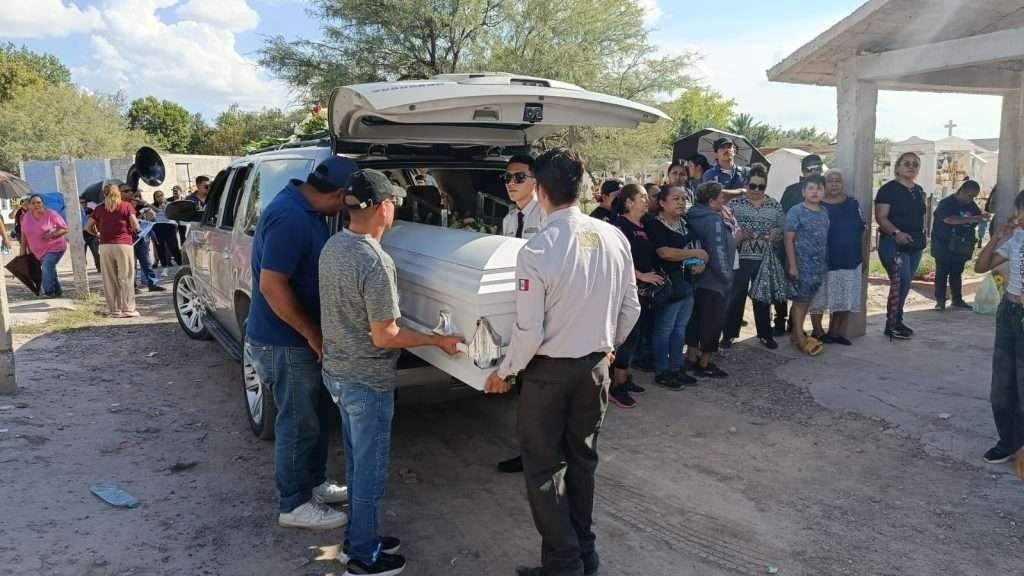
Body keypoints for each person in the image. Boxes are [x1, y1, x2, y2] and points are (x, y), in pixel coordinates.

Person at [482, 148, 641, 576]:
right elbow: (631, 307)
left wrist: (504, 371)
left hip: (549, 374)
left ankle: (565, 564)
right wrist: (608, 346)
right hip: (595, 368)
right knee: (582, 462)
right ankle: (582, 555)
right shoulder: (613, 237)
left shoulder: (538, 249)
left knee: (543, 468)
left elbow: (529, 330)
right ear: (582, 186)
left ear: (540, 189)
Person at [320, 169, 462, 576]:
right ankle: (363, 557)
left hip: (338, 373)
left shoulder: (333, 246)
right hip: (367, 381)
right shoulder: (375, 260)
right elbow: (386, 336)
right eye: (394, 202)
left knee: (357, 464)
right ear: (384, 207)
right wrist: (438, 340)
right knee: (369, 471)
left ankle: (357, 539)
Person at [246, 157, 354, 531]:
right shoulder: (290, 218)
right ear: (340, 194)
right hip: (284, 341)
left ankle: (313, 483)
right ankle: (294, 503)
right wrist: (312, 334)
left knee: (315, 416)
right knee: (297, 422)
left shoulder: (308, 210)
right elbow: (272, 286)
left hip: (299, 339)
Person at [975, 192, 1024, 466]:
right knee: (1003, 385)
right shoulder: (1016, 239)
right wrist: (998, 237)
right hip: (1009, 313)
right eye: (1021, 210)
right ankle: (1008, 441)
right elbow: (981, 266)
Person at [647, 185, 707, 388]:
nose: (681, 202)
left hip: (686, 284)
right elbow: (664, 253)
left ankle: (676, 367)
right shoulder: (654, 224)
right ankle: (662, 371)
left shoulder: (685, 223)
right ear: (662, 203)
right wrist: (696, 254)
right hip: (668, 286)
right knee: (664, 329)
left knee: (679, 329)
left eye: (683, 198)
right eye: (675, 198)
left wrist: (700, 262)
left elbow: (697, 249)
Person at [723, 164, 786, 349]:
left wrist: (775, 234)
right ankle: (729, 334)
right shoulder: (735, 204)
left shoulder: (774, 205)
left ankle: (765, 334)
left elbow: (783, 228)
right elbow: (725, 226)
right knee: (736, 297)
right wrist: (739, 234)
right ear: (746, 184)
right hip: (740, 258)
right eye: (753, 186)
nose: (757, 190)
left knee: (762, 298)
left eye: (761, 187)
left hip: (765, 259)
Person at [611, 184, 658, 408]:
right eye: (642, 197)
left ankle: (623, 376)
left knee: (635, 335)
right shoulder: (620, 226)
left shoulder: (644, 225)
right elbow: (618, 259)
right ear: (629, 202)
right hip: (627, 290)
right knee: (627, 337)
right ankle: (616, 385)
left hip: (642, 291)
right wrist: (640, 275)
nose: (647, 200)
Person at [685, 182, 736, 378]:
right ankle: (705, 363)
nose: (724, 200)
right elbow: (717, 251)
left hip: (696, 279)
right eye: (721, 197)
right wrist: (726, 276)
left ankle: (691, 358)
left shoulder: (692, 214)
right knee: (713, 323)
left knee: (695, 320)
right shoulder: (713, 219)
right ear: (712, 200)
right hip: (714, 280)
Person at [809, 169, 866, 345]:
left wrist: (863, 255)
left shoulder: (853, 204)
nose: (834, 184)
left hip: (850, 258)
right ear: (824, 184)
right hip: (824, 260)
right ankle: (818, 331)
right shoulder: (817, 205)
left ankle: (835, 332)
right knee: (819, 298)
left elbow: (862, 230)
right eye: (830, 180)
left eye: (838, 181)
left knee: (845, 296)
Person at [875, 152, 927, 340]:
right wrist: (897, 233)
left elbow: (922, 216)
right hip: (893, 243)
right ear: (897, 167)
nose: (911, 167)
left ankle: (897, 321)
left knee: (905, 284)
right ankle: (892, 324)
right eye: (907, 163)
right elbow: (881, 217)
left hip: (915, 244)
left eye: (915, 164)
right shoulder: (888, 190)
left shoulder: (918, 190)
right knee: (901, 281)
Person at [785, 175, 830, 356]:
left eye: (819, 188)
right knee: (800, 302)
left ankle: (796, 335)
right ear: (803, 192)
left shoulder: (824, 211)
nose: (815, 192)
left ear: (824, 192)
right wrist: (792, 265)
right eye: (811, 188)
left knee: (807, 301)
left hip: (818, 267)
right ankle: (799, 338)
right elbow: (788, 240)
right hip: (800, 265)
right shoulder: (796, 211)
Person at [931, 179, 987, 310]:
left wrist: (981, 218)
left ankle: (957, 299)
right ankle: (940, 301)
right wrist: (971, 219)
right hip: (943, 243)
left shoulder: (971, 206)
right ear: (961, 191)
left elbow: (976, 218)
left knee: (957, 272)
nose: (970, 199)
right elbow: (949, 219)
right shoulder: (946, 203)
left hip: (961, 245)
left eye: (974, 197)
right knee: (942, 272)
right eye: (969, 195)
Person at [86, 184, 140, 317]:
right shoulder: (126, 206)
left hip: (105, 245)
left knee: (109, 278)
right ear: (119, 193)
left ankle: (114, 309)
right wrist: (133, 230)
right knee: (126, 277)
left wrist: (97, 234)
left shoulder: (99, 209)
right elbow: (135, 225)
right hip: (123, 244)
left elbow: (87, 227)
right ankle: (128, 309)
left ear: (104, 194)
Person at [19, 194, 68, 297]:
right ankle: (57, 291)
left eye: (38, 202)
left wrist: (52, 235)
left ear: (43, 203)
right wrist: (22, 253)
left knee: (46, 266)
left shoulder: (51, 214)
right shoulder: (26, 217)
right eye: (33, 203)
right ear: (30, 205)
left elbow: (65, 229)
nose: (36, 205)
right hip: (38, 252)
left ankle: (48, 291)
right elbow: (24, 235)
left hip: (55, 247)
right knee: (49, 269)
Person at [121, 184, 163, 292]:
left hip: (140, 237)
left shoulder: (141, 206)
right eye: (134, 196)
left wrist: (147, 210)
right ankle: (133, 286)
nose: (135, 198)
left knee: (146, 262)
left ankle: (153, 284)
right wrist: (138, 217)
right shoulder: (121, 206)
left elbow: (154, 217)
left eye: (137, 196)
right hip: (128, 238)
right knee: (131, 264)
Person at [501, 155, 544, 240]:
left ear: (535, 181)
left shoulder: (545, 214)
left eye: (519, 177)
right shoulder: (508, 220)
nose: (511, 183)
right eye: (508, 177)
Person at [151, 190, 182, 268]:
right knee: (160, 246)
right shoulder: (153, 206)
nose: (160, 197)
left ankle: (179, 261)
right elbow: (154, 213)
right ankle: (164, 263)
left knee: (173, 245)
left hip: (169, 225)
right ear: (155, 199)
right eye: (157, 196)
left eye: (161, 195)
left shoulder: (169, 204)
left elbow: (169, 214)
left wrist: (164, 205)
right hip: (158, 226)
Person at [80, 198, 101, 273]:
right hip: (81, 236)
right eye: (81, 202)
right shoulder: (76, 212)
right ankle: (83, 269)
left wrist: (98, 232)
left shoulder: (91, 210)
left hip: (92, 235)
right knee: (82, 255)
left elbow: (96, 221)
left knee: (96, 253)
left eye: (84, 202)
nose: (83, 204)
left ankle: (99, 267)